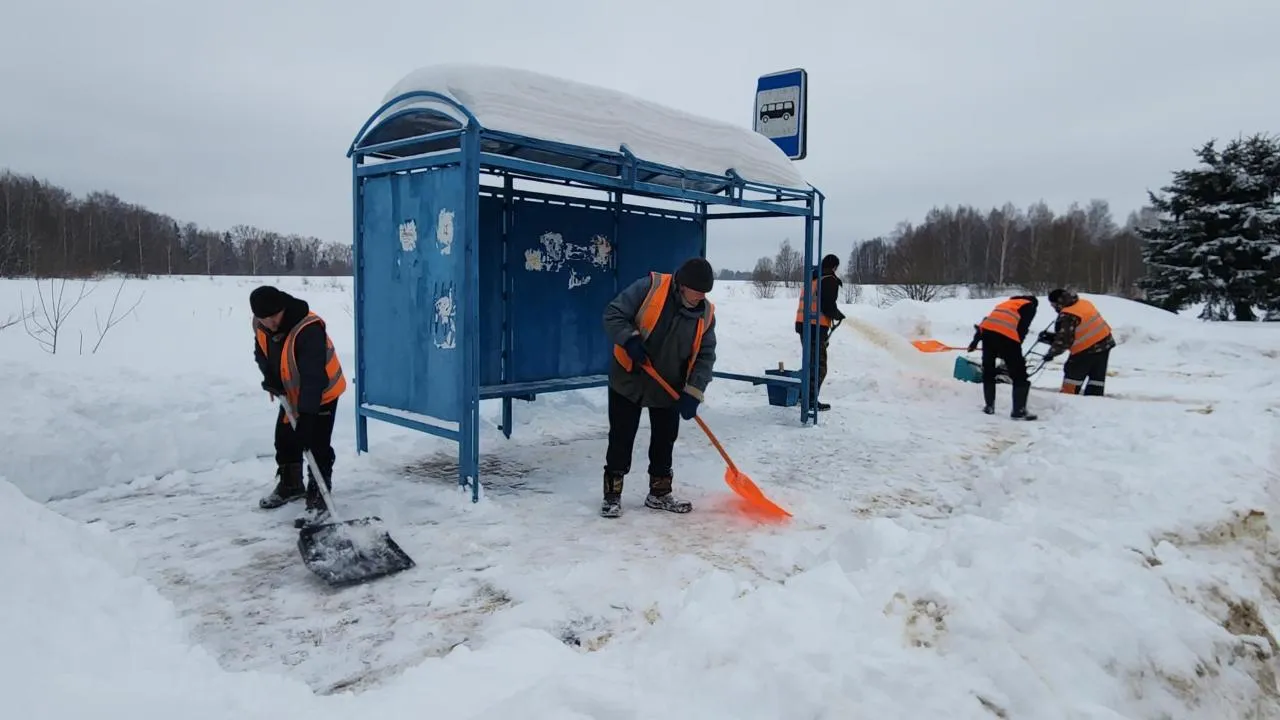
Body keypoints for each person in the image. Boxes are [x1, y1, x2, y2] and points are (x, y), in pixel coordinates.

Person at [600, 257, 717, 518]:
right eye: (696, 292)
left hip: (668, 384)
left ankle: (660, 492)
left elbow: (705, 355)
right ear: (682, 284)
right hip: (630, 375)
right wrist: (629, 340)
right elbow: (613, 314)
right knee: (622, 435)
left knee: (665, 438)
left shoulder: (706, 314)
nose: (699, 298)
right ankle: (612, 494)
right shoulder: (650, 288)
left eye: (704, 294)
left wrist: (693, 392)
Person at [250, 285, 348, 527]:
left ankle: (319, 501)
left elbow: (314, 377)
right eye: (265, 318)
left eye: (275, 316)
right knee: (285, 439)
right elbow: (262, 352)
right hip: (293, 394)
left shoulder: (308, 329)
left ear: (283, 308)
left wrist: (307, 417)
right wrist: (270, 377)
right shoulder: (261, 324)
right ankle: (291, 485)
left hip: (322, 394)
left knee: (316, 446)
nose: (271, 322)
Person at [967, 294, 1039, 419]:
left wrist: (974, 342)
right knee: (1019, 374)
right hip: (1007, 337)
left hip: (987, 334)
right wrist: (1014, 352)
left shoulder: (1006, 304)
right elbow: (1022, 329)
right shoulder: (1029, 306)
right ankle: (1019, 411)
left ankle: (989, 406)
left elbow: (985, 322)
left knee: (988, 370)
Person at [794, 253, 846, 411]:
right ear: (835, 267)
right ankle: (809, 400)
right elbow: (827, 304)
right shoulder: (828, 280)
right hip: (816, 327)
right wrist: (836, 314)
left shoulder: (812, 278)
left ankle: (803, 396)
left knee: (810, 362)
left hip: (804, 325)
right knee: (819, 365)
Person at [1040, 288, 1115, 396]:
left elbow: (1065, 340)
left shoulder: (1068, 315)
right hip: (1104, 344)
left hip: (1086, 350)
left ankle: (1067, 398)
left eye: (1053, 305)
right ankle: (1095, 400)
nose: (1053, 308)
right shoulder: (1083, 303)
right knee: (1096, 378)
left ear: (1058, 303)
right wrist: (1052, 338)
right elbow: (1078, 331)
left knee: (1073, 375)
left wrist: (1051, 353)